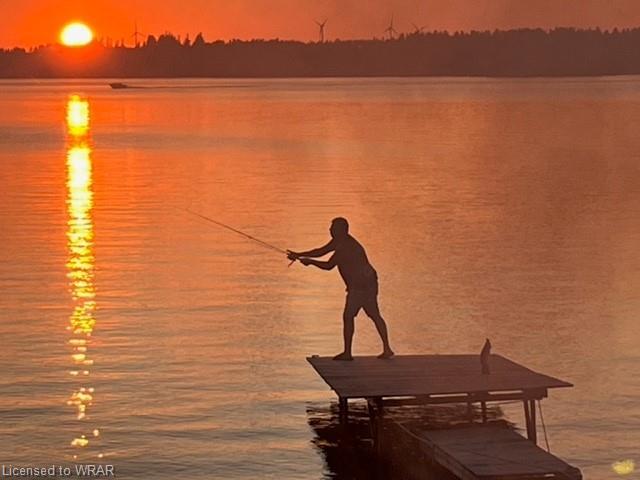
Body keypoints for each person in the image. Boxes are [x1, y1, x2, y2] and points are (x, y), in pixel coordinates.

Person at [288, 218, 394, 361]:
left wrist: (310, 262)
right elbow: (320, 251)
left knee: (352, 316)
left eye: (333, 228)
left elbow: (329, 265)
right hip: (365, 283)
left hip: (362, 285)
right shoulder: (340, 241)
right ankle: (385, 349)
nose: (330, 230)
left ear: (341, 231)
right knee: (372, 315)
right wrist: (298, 254)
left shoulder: (346, 247)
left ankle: (349, 353)